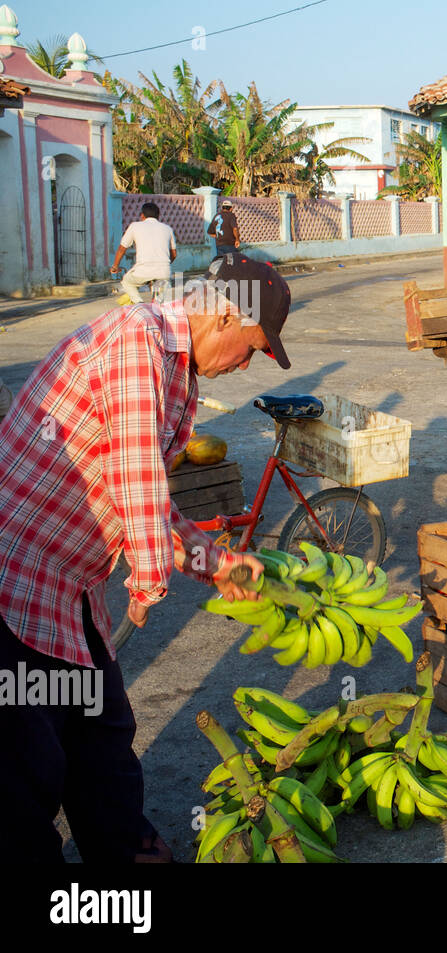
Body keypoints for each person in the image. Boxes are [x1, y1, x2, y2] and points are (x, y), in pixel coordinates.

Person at [0, 253, 293, 862]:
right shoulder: (138, 342)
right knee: (25, 765)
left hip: (69, 587)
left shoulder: (174, 374)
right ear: (223, 318)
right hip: (17, 580)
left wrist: (218, 564)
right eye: (252, 347)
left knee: (102, 739)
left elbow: (152, 502)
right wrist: (149, 581)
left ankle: (124, 858)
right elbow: (135, 476)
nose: (246, 365)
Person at [111, 202, 177, 303]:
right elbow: (174, 254)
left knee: (127, 282)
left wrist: (115, 266)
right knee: (158, 305)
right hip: (164, 272)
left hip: (142, 272)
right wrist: (163, 264)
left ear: (142, 215)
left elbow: (121, 249)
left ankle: (139, 303)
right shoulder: (167, 229)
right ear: (158, 216)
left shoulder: (135, 226)